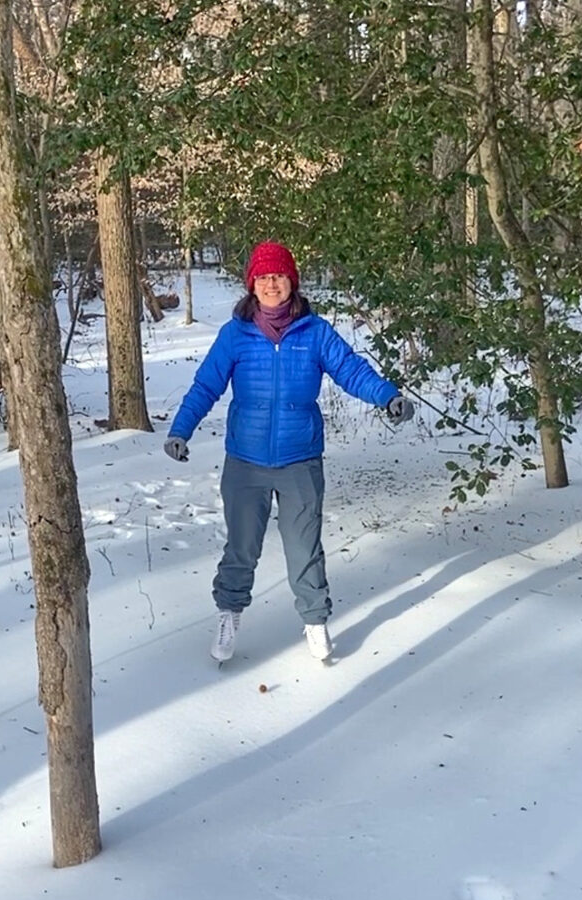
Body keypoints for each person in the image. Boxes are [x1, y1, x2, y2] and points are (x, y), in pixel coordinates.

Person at [164, 240, 414, 663]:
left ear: (292, 281)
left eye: (278, 276)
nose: (271, 285)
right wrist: (180, 430)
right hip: (245, 462)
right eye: (263, 278)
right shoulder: (235, 335)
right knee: (242, 547)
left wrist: (387, 396)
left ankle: (315, 622)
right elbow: (207, 385)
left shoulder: (314, 333)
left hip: (300, 461)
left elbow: (350, 369)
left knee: (304, 548)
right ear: (252, 285)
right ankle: (229, 614)